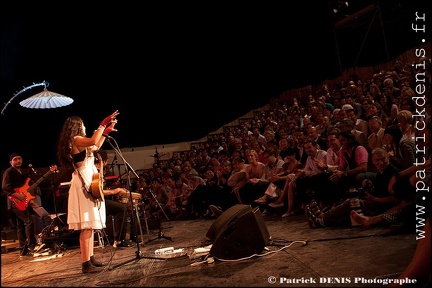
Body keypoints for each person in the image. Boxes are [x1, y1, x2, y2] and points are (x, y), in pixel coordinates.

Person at [56, 110, 119, 273]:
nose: (85, 126)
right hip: (83, 185)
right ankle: (85, 264)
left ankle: (90, 258)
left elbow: (96, 145)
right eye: (83, 125)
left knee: (90, 224)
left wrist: (104, 133)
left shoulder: (80, 142)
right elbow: (92, 140)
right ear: (77, 127)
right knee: (86, 225)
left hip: (89, 182)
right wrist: (101, 124)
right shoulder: (76, 140)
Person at [2, 153, 39, 256]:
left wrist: (31, 201)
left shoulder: (23, 173)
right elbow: (5, 187)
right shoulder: (8, 172)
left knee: (21, 225)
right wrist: (18, 196)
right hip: (14, 201)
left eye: (19, 159)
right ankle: (32, 245)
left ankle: (23, 250)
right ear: (11, 162)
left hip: (22, 201)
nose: (18, 161)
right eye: (15, 159)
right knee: (28, 221)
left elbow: (25, 191)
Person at [93, 149, 132, 248]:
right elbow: (98, 190)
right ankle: (119, 240)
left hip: (99, 201)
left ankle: (119, 238)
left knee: (120, 208)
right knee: (122, 209)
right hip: (95, 203)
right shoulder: (94, 171)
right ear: (104, 160)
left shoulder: (98, 170)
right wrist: (115, 191)